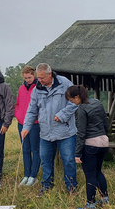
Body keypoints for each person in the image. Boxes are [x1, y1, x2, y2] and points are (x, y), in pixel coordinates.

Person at [21, 63, 78, 196]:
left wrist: (62, 115)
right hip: (45, 133)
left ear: (50, 74)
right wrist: (26, 127)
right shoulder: (36, 90)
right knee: (45, 161)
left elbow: (75, 101)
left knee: (68, 160)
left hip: (65, 132)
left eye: (42, 77)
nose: (39, 80)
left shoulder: (64, 83)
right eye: (38, 78)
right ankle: (46, 187)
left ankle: (71, 188)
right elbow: (32, 110)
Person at [66, 85, 110, 209]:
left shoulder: (81, 109)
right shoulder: (97, 102)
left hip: (90, 144)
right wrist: (105, 134)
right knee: (98, 172)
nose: (71, 102)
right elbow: (105, 122)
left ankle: (90, 205)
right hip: (103, 141)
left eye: (71, 100)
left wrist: (77, 153)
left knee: (90, 175)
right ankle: (104, 199)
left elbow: (81, 133)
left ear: (77, 97)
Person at [14, 66, 40, 187]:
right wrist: (18, 116)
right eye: (26, 78)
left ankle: (33, 176)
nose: (28, 80)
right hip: (21, 123)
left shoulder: (38, 87)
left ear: (33, 75)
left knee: (35, 149)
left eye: (30, 77)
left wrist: (36, 118)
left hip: (34, 124)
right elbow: (18, 103)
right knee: (25, 149)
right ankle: (26, 174)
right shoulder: (21, 88)